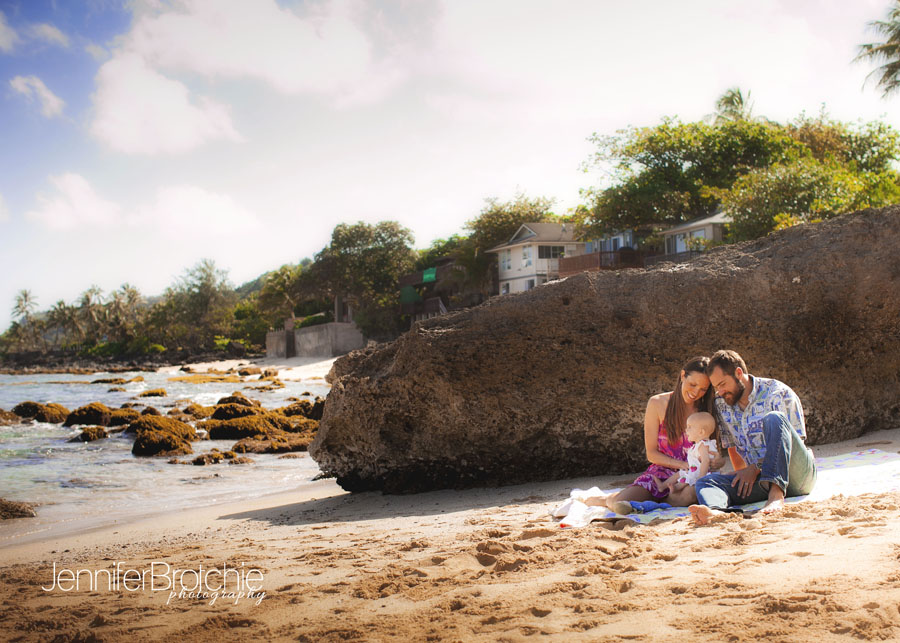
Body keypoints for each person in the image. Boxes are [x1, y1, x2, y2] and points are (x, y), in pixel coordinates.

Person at [689, 350, 817, 525]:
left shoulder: (778, 393)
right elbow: (733, 448)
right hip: (760, 481)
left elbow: (792, 446)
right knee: (706, 482)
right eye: (716, 387)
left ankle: (776, 495)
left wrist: (755, 468)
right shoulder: (723, 405)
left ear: (739, 373)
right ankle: (718, 513)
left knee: (775, 418)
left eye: (723, 384)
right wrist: (743, 476)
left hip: (797, 475)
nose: (720, 391)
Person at [589, 356, 719, 513]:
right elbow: (651, 454)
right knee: (619, 503)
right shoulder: (657, 403)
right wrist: (681, 465)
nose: (696, 392)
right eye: (692, 384)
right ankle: (607, 498)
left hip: (689, 477)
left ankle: (657, 500)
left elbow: (713, 452)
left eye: (703, 389)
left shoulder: (707, 411)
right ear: (682, 375)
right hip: (662, 472)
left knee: (691, 495)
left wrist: (717, 461)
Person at [652, 411, 718, 501]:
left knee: (688, 476)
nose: (686, 430)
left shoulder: (703, 445)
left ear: (701, 432)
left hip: (701, 473)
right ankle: (663, 486)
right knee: (681, 473)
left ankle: (675, 488)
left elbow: (705, 461)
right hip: (695, 470)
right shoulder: (701, 444)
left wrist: (701, 478)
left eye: (689, 427)